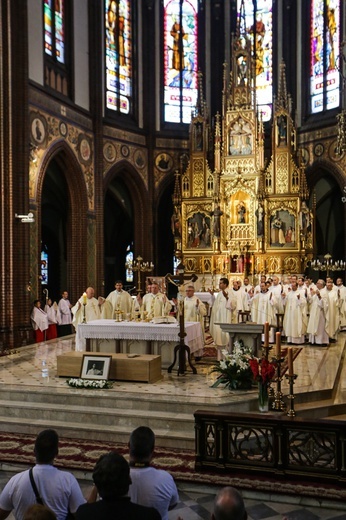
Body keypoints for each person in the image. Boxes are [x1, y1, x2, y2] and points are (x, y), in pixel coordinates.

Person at [0, 429, 93, 520]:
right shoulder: (68, 480)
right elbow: (81, 515)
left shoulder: (16, 481)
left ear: (34, 452)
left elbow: (1, 513)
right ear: (56, 453)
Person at [75, 451, 161, 520]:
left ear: (97, 485)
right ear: (130, 480)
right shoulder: (151, 516)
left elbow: (88, 507)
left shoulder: (83, 514)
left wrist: (97, 485)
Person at [128, 426, 179, 520]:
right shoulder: (165, 478)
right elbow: (172, 504)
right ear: (153, 451)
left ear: (129, 446)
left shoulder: (116, 478)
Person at [209, 278, 233, 360]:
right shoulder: (219, 294)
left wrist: (227, 298)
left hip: (225, 318)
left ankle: (227, 358)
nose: (219, 285)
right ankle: (219, 358)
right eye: (219, 283)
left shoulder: (230, 292)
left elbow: (233, 305)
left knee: (225, 338)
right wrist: (212, 296)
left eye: (221, 283)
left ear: (226, 284)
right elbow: (215, 304)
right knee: (219, 337)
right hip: (218, 319)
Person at [306, 280, 329, 345]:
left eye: (318, 283)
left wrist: (319, 296)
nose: (316, 284)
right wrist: (311, 294)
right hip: (314, 312)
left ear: (321, 285)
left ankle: (321, 341)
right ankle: (313, 341)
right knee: (314, 325)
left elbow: (325, 304)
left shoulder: (324, 292)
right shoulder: (317, 291)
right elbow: (311, 301)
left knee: (320, 327)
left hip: (320, 313)